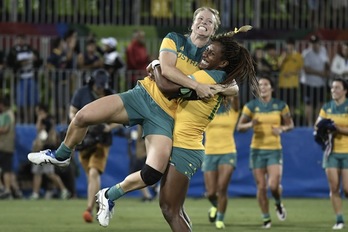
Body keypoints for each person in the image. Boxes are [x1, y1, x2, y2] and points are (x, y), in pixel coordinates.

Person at [27, 6, 229, 227]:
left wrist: (222, 88)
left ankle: (108, 196)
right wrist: (196, 85)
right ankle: (62, 154)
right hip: (141, 96)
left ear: (213, 31)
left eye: (210, 22)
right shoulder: (174, 39)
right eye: (201, 18)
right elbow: (168, 71)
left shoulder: (209, 59)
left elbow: (234, 85)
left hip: (165, 116)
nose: (204, 23)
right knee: (83, 116)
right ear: (192, 23)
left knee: (152, 173)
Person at [237, 76, 294, 229]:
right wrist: (250, 123)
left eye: (266, 84)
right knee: (261, 187)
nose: (262, 87)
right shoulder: (251, 106)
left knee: (274, 186)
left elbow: (290, 124)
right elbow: (240, 127)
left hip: (274, 150)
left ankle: (278, 203)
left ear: (272, 88)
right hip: (257, 150)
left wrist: (281, 129)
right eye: (260, 84)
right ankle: (266, 219)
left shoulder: (281, 105)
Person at [65, 69, 119, 223]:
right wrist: (81, 122)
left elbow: (122, 117)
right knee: (91, 176)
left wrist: (109, 127)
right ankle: (99, 205)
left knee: (94, 172)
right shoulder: (82, 93)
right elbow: (72, 111)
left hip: (102, 140)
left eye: (103, 86)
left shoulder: (111, 95)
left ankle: (88, 208)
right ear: (92, 82)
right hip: (84, 139)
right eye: (98, 85)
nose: (101, 88)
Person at [314, 78, 348, 230]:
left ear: (345, 90)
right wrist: (322, 128)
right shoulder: (327, 107)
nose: (333, 90)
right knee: (334, 188)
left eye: (337, 87)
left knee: (347, 189)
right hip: (331, 152)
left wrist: (338, 129)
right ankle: (339, 219)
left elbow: (341, 129)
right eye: (332, 88)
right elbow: (317, 126)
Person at [202, 95, 239, 229]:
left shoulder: (233, 110)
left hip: (228, 152)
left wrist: (229, 81)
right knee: (211, 192)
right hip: (210, 153)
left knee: (222, 188)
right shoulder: (208, 111)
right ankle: (215, 206)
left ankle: (220, 219)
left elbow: (235, 96)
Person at [30, 104, 70, 200]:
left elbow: (39, 131)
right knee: (37, 173)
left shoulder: (47, 121)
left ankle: (64, 190)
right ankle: (35, 193)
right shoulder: (50, 120)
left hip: (46, 150)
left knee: (49, 173)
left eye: (38, 111)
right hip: (41, 150)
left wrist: (39, 119)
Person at [6, 34, 41, 123]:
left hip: (31, 77)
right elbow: (9, 63)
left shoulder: (31, 49)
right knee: (20, 102)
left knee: (31, 102)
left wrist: (36, 59)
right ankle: (21, 120)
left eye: (22, 39)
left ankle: (29, 120)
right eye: (19, 39)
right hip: (20, 79)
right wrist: (19, 63)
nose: (20, 41)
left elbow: (40, 61)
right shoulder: (13, 51)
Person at [300, 34, 330, 126]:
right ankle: (309, 124)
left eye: (316, 43)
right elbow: (306, 69)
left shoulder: (324, 51)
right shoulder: (306, 53)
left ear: (319, 43)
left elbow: (326, 63)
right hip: (308, 83)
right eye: (312, 43)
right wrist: (321, 73)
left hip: (320, 83)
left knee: (320, 103)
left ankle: (317, 123)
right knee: (309, 104)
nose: (314, 45)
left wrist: (326, 70)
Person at [128, 125, 155, 201]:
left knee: (139, 175)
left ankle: (150, 192)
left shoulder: (143, 126)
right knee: (141, 175)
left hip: (142, 155)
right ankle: (150, 192)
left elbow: (140, 139)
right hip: (142, 154)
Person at [278, 37, 304, 116]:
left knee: (292, 105)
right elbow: (279, 67)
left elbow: (300, 69)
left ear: (294, 46)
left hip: (293, 84)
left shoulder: (298, 56)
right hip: (283, 84)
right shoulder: (282, 55)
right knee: (283, 104)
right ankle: (283, 120)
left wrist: (291, 73)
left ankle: (291, 120)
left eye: (291, 45)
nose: (289, 47)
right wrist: (283, 57)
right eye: (288, 45)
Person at [0, 94, 19, 199]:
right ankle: (7, 190)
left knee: (6, 170)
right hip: (7, 146)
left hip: (4, 146)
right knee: (7, 169)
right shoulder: (10, 114)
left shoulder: (6, 115)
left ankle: (5, 189)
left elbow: (5, 129)